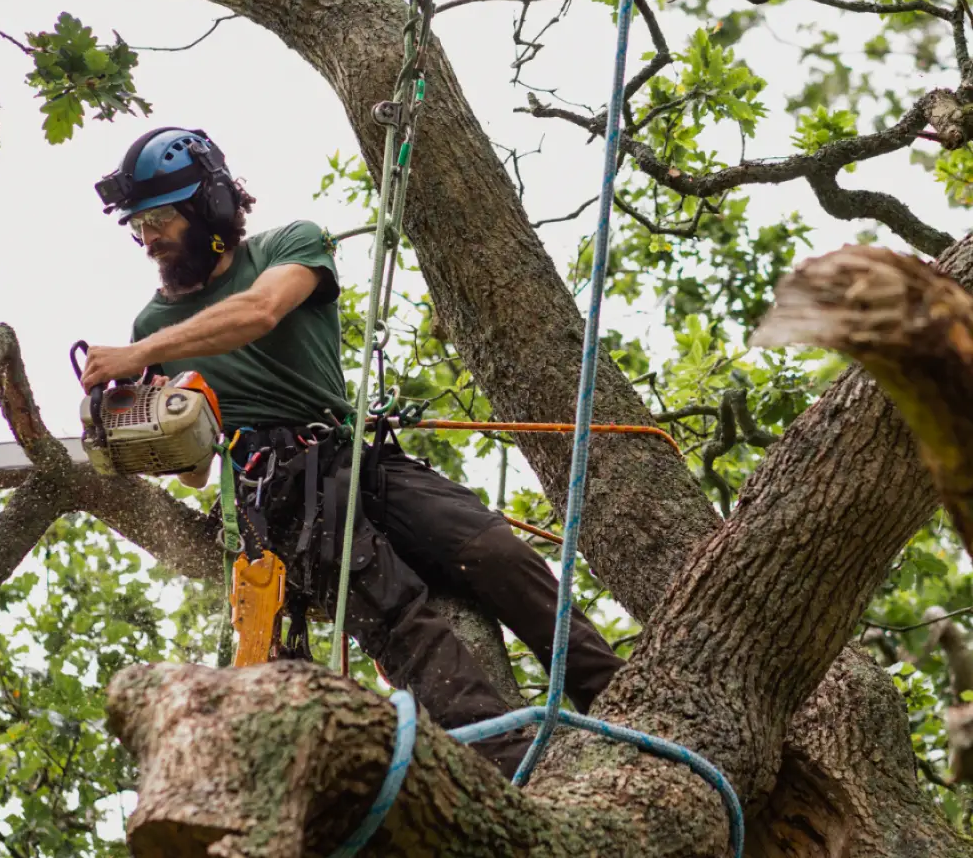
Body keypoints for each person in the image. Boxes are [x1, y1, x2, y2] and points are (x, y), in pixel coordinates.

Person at [77, 125, 624, 775]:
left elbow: (259, 312)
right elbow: (197, 473)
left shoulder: (290, 246)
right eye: (139, 225)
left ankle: (617, 696)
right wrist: (144, 424)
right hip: (276, 487)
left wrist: (141, 355)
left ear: (212, 207)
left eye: (161, 217)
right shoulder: (154, 324)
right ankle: (511, 762)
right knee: (397, 611)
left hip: (352, 456)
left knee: (492, 548)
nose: (150, 238)